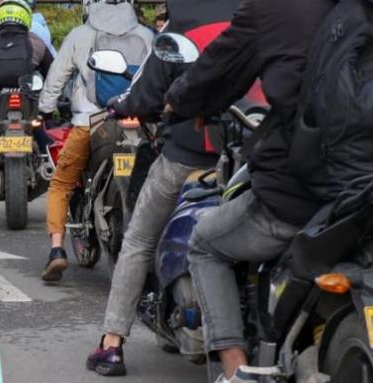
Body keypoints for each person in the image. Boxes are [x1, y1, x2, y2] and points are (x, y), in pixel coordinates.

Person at [163, 0, 373, 381]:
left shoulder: (277, 7)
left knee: (206, 244)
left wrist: (177, 103)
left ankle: (234, 371)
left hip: (308, 192)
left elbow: (216, 71)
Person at [83, 0, 240, 374]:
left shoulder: (181, 26)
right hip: (247, 153)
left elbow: (147, 92)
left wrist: (122, 105)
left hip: (188, 155)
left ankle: (112, 343)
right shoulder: (258, 17)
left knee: (138, 240)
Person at [37, 0, 153, 282]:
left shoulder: (80, 35)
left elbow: (57, 75)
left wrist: (45, 108)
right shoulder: (147, 35)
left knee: (61, 184)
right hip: (140, 123)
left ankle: (56, 251)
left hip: (89, 123)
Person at [0, 0, 54, 186]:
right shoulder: (37, 42)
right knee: (39, 127)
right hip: (29, 98)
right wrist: (55, 103)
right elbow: (53, 74)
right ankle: (49, 161)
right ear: (26, 17)